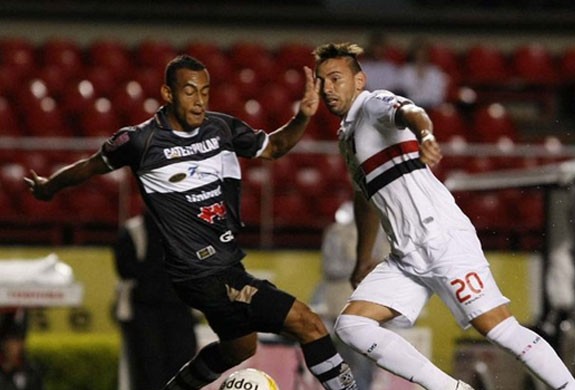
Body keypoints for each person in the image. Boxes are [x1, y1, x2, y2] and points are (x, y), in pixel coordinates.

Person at [24, 54, 359, 390]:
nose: (199, 101)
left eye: (205, 92)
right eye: (189, 92)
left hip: (226, 266)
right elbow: (91, 165)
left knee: (240, 348)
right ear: (168, 94)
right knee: (308, 323)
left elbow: (273, 148)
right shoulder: (141, 141)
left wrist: (301, 117)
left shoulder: (221, 128)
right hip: (201, 272)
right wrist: (49, 187)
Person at [312, 42, 575, 390]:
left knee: (499, 329)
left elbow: (411, 111)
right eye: (322, 81)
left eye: (336, 78)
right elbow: (365, 198)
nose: (328, 88)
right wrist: (362, 258)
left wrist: (425, 134)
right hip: (405, 255)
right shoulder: (347, 135)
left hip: (440, 238)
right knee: (352, 326)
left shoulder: (373, 104)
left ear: (359, 80)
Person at [113, 209, 197, 390]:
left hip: (179, 310)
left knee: (182, 364)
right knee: (147, 366)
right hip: (144, 310)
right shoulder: (133, 230)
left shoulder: (186, 228)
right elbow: (125, 270)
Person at [314, 201, 390, 390]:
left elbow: (387, 262)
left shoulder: (382, 232)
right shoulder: (335, 232)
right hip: (341, 301)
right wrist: (360, 266)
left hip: (371, 301)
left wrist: (373, 266)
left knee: (367, 357)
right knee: (345, 357)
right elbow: (329, 267)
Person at [0, 308, 44, 390]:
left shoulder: (30, 372)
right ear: (3, 343)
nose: (12, 347)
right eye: (10, 341)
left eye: (18, 341)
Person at [398, 40, 448, 110]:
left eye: (423, 54)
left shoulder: (436, 72)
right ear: (413, 55)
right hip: (410, 108)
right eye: (418, 54)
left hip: (432, 108)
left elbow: (439, 95)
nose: (420, 57)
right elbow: (402, 92)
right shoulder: (405, 71)